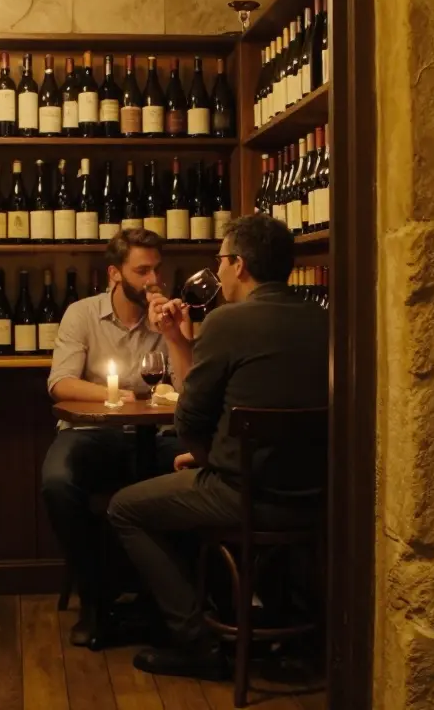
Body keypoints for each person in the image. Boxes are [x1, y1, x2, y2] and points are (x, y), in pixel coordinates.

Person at [107, 215, 329, 680]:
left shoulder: (228, 322)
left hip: (245, 495)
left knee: (125, 508)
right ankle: (276, 624)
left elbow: (189, 418)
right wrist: (176, 340)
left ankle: (197, 644)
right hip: (316, 500)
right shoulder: (324, 318)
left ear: (240, 265)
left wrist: (207, 457)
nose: (220, 271)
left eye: (222, 261)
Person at [42, 228, 182, 647]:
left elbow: (188, 392)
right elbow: (61, 384)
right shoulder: (82, 314)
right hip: (93, 435)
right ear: (115, 274)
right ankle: (95, 599)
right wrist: (121, 394)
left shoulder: (169, 318)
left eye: (157, 269)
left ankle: (172, 602)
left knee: (207, 470)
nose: (153, 280)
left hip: (156, 436)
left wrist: (175, 334)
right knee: (57, 482)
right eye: (142, 270)